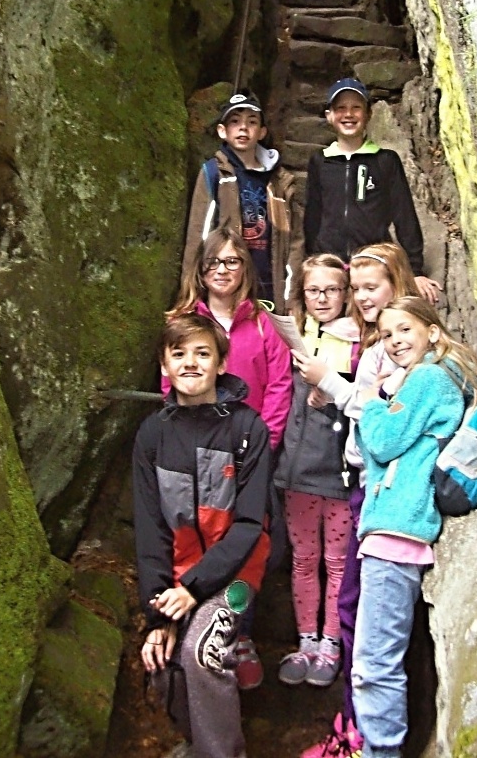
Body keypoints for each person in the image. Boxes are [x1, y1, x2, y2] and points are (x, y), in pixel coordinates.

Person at [351, 296, 477, 758]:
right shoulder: (430, 378)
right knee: (384, 659)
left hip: (397, 529)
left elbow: (381, 442)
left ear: (432, 331)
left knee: (374, 665)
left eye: (404, 329)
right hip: (399, 526)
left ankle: (381, 753)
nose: (394, 341)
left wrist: (371, 403)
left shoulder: (429, 378)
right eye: (386, 334)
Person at [292, 243, 419, 758]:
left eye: (372, 288)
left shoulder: (400, 350)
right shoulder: (374, 347)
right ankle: (352, 724)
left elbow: (386, 423)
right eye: (359, 289)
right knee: (351, 607)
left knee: (360, 612)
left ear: (396, 287)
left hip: (385, 496)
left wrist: (333, 386)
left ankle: (361, 733)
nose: (363, 298)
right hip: (362, 482)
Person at [133, 314, 273, 758]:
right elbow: (151, 529)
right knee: (161, 659)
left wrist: (192, 591)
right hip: (180, 573)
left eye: (202, 353)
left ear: (221, 363)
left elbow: (249, 525)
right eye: (179, 354)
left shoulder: (247, 428)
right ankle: (195, 745)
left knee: (202, 651)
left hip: (237, 574)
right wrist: (158, 615)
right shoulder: (153, 434)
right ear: (164, 365)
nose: (190, 363)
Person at [167, 225, 293, 690]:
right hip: (198, 459)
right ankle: (196, 629)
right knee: (200, 543)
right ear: (201, 271)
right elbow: (172, 386)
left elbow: (279, 385)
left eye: (232, 261)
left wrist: (263, 443)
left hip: (251, 456)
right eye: (214, 262)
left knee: (251, 548)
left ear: (245, 269)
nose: (223, 270)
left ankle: (239, 634)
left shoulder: (262, 323)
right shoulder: (185, 320)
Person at [274, 254, 360, 689]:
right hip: (298, 471)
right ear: (302, 295)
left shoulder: (360, 340)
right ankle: (306, 640)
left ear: (345, 294)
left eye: (331, 290)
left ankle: (332, 643)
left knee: (338, 562)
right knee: (304, 558)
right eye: (314, 291)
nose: (323, 298)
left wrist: (332, 391)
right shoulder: (294, 336)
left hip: (340, 473)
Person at [303, 77, 440, 304]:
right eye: (341, 108)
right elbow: (312, 215)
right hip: (331, 265)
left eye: (356, 107)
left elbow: (404, 214)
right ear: (329, 115)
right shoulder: (320, 162)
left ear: (368, 114)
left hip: (373, 263)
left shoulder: (385, 160)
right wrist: (312, 261)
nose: (348, 114)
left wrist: (415, 270)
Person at [182, 90, 304, 314]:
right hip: (225, 283)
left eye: (252, 122)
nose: (243, 128)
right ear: (222, 131)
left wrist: (291, 297)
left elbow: (294, 241)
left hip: (269, 283)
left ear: (262, 132)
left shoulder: (279, 180)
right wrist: (191, 294)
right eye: (235, 121)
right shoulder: (214, 173)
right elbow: (199, 235)